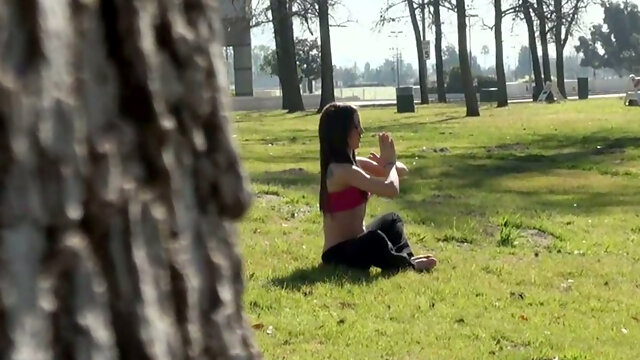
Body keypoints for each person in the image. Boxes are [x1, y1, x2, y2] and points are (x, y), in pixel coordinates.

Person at [318, 102, 437, 272]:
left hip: (358, 241)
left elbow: (402, 171)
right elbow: (391, 189)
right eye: (356, 126)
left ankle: (404, 259)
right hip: (338, 255)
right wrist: (389, 164)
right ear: (341, 131)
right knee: (374, 239)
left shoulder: (356, 163)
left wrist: (388, 163)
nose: (361, 131)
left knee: (392, 220)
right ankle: (409, 265)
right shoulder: (340, 171)